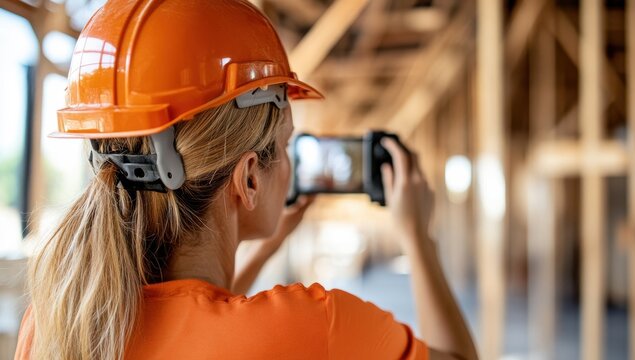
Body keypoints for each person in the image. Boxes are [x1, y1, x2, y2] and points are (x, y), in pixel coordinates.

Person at [14, 0, 477, 359]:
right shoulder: (319, 324)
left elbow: (195, 324)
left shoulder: (56, 323)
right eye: (288, 145)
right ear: (249, 179)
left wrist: (261, 246)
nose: (294, 166)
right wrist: (418, 238)